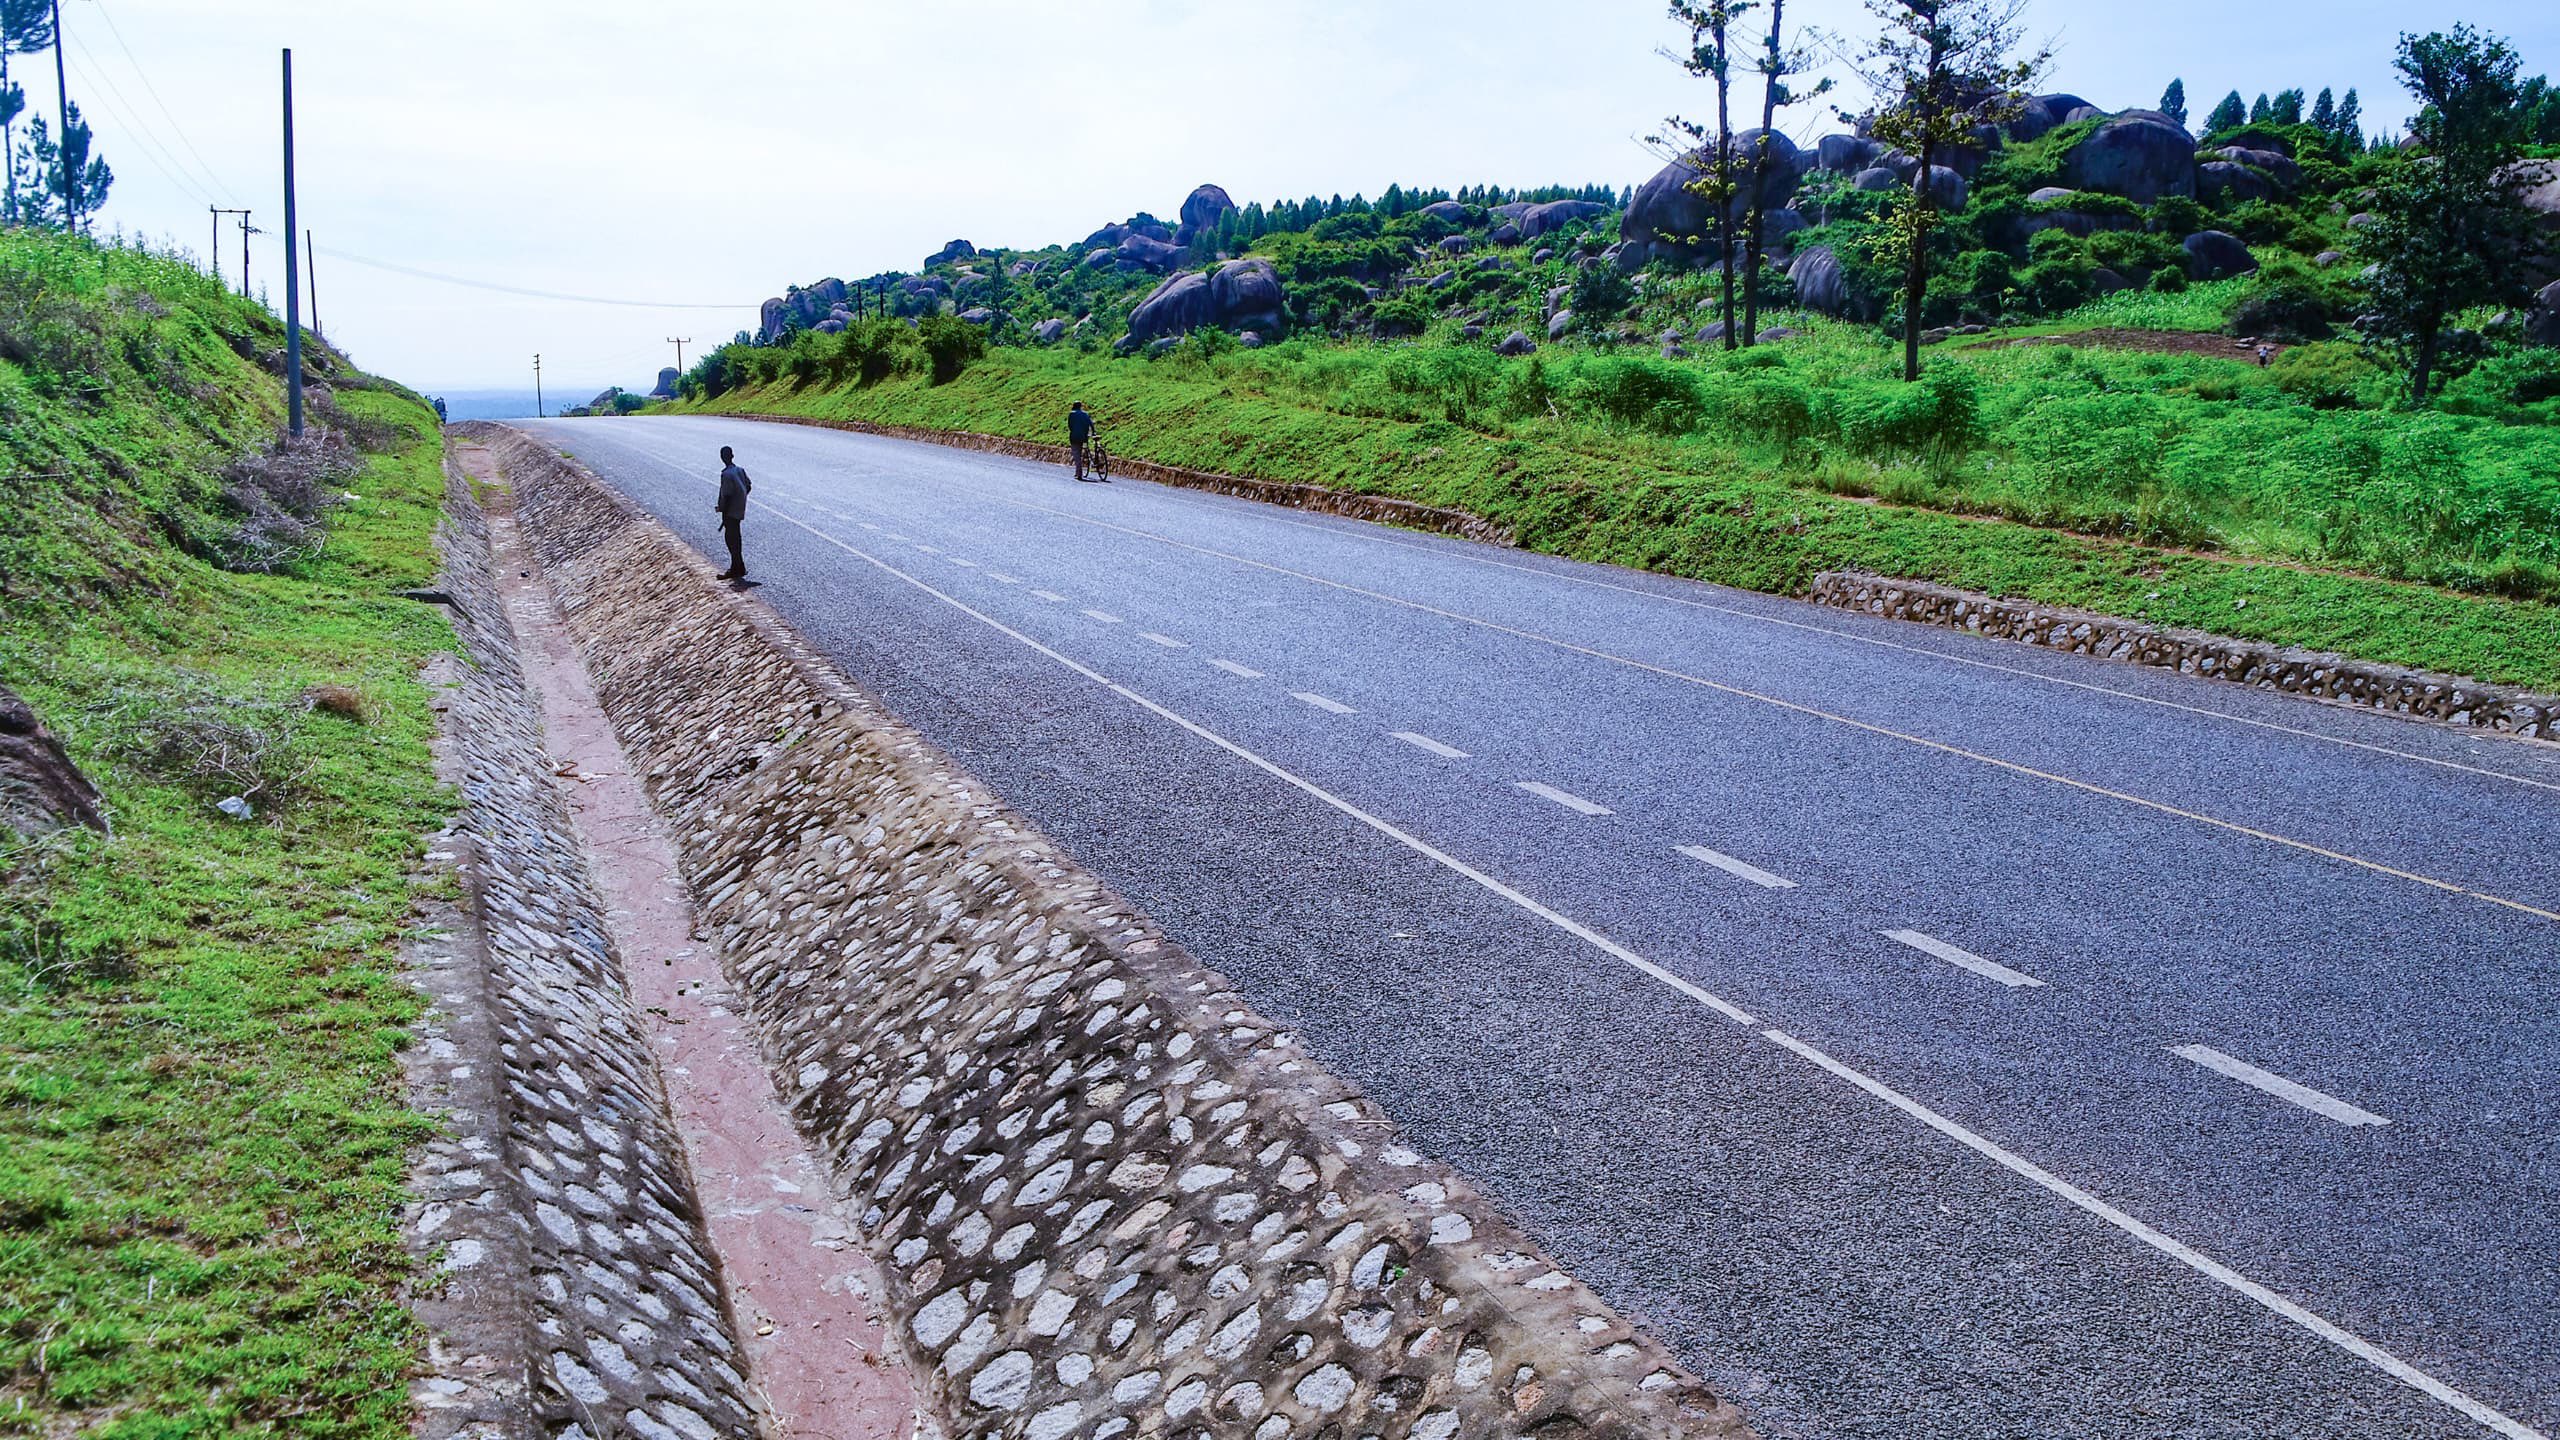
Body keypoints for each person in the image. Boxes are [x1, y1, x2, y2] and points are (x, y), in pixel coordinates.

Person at [714, 445, 752, 580]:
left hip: (730, 511)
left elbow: (727, 495)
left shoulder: (726, 474)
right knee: (736, 538)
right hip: (738, 509)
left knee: (731, 540)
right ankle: (739, 566)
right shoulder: (739, 470)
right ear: (732, 456)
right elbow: (748, 486)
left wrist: (724, 511)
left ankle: (735, 568)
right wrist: (740, 499)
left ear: (722, 458)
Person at [1067, 401, 1101, 482]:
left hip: (1074, 437)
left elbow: (1070, 426)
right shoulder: (1085, 414)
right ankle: (1078, 472)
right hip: (1084, 436)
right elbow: (1091, 424)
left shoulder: (1072, 414)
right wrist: (1093, 432)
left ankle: (1079, 473)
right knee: (1081, 450)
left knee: (1077, 455)